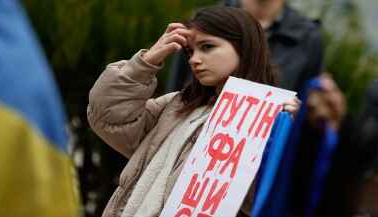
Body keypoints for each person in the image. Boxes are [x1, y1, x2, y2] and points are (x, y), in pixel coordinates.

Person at [87, 6, 299, 217]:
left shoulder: (275, 116)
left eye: (207, 47)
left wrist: (291, 132)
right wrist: (146, 62)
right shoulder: (175, 106)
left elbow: (267, 199)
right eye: (190, 51)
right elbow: (109, 118)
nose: (193, 59)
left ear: (244, 47)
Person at [166, 0, 324, 93]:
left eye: (207, 47)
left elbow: (302, 112)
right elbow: (176, 91)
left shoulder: (308, 37)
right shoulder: (201, 22)